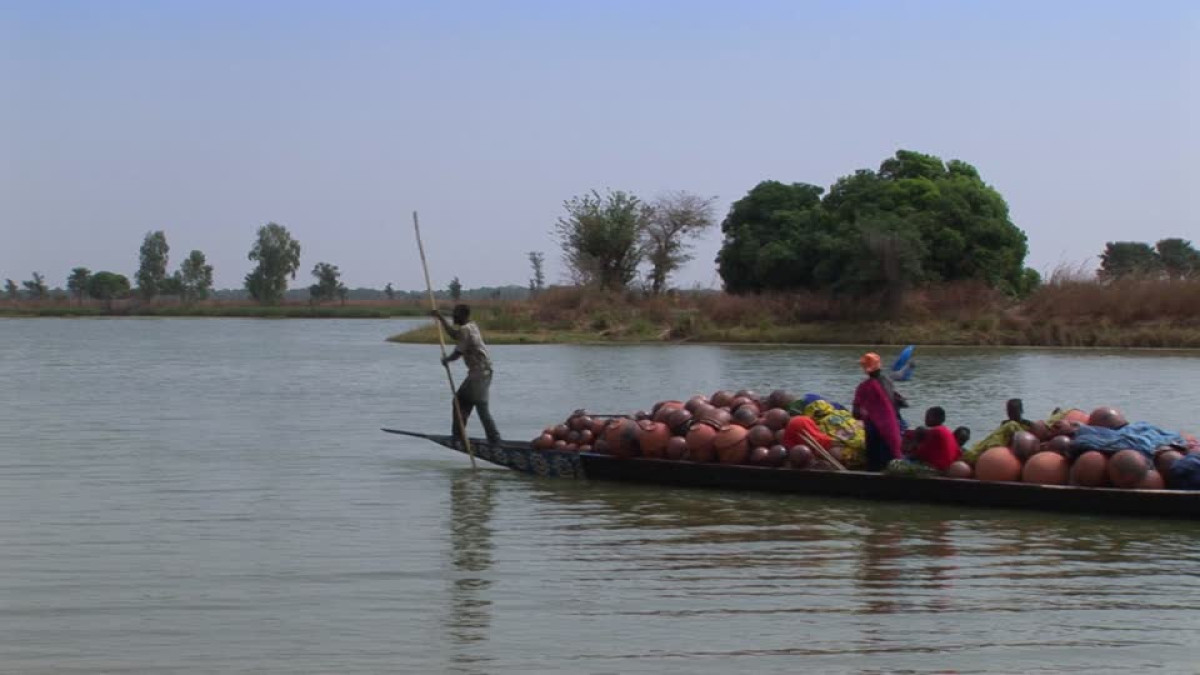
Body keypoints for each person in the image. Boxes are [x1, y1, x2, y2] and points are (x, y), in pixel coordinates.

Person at [431, 304, 501, 447]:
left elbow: (459, 351)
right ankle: (461, 435)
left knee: (475, 404)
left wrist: (447, 360)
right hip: (481, 372)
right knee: (463, 402)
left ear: (463, 315)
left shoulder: (465, 329)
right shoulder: (470, 326)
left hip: (479, 373)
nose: (453, 317)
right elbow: (454, 335)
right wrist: (440, 319)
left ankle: (493, 439)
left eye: (455, 314)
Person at [853, 353, 903, 471]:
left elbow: (856, 413)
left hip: (874, 430)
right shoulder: (889, 381)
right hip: (892, 429)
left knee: (874, 464)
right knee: (892, 461)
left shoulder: (864, 387)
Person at [886, 407, 962, 476]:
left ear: (934, 418)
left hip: (937, 470)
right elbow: (958, 452)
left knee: (893, 464)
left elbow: (921, 453)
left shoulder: (935, 431)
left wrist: (908, 455)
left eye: (927, 416)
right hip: (947, 467)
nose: (925, 419)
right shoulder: (947, 431)